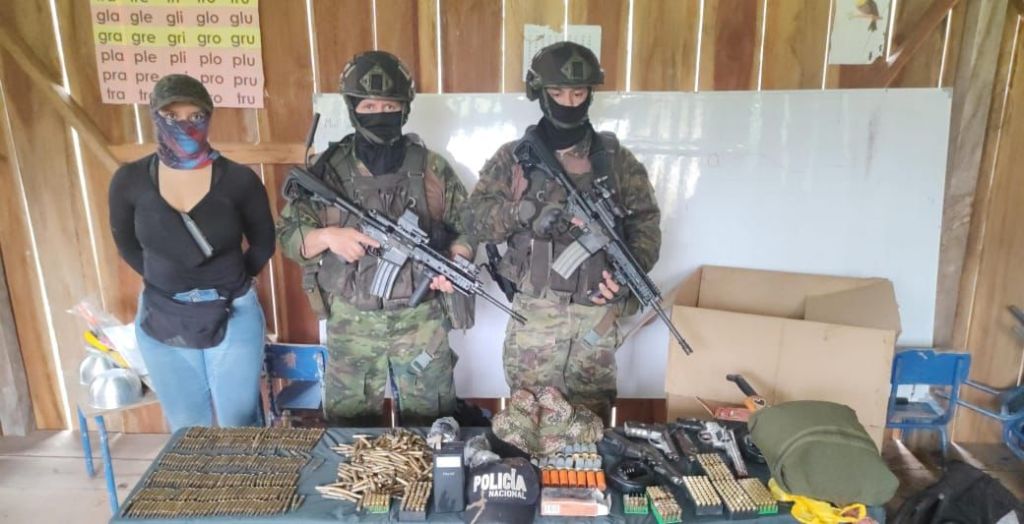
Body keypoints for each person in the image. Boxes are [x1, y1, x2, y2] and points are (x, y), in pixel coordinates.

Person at [463, 42, 662, 422]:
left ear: (590, 94)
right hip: (536, 316)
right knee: (529, 418)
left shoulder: (616, 161)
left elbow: (646, 224)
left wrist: (625, 276)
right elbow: (473, 219)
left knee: (591, 422)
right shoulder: (514, 157)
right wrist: (524, 213)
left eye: (578, 93)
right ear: (539, 94)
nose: (568, 103)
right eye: (557, 93)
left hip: (595, 317)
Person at [277, 51, 473, 427]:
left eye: (389, 105)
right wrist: (328, 236)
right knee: (348, 429)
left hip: (421, 321)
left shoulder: (431, 166)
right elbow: (288, 234)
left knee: (432, 426)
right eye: (369, 105)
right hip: (352, 322)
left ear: (404, 108)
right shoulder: (328, 170)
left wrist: (458, 258)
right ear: (353, 108)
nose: (379, 113)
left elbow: (469, 225)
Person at [108, 74, 275, 431]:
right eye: (172, 115)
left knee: (239, 425)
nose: (184, 125)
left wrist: (234, 282)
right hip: (163, 315)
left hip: (232, 312)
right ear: (155, 116)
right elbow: (127, 245)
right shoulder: (129, 181)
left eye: (195, 116)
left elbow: (263, 242)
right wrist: (169, 280)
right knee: (186, 429)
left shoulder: (239, 180)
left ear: (209, 117)